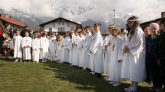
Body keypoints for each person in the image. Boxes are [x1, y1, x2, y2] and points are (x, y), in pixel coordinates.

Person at [123, 16, 146, 92]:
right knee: (132, 70)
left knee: (135, 70)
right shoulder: (131, 31)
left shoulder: (139, 30)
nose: (129, 24)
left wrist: (128, 48)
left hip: (137, 54)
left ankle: (135, 86)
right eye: (128, 22)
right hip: (131, 53)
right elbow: (128, 41)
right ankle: (132, 85)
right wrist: (126, 46)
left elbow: (138, 43)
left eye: (130, 22)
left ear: (135, 22)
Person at [156, 18, 165, 91]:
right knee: (163, 74)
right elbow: (157, 48)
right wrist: (158, 58)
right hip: (162, 59)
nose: (164, 26)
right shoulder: (160, 36)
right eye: (163, 25)